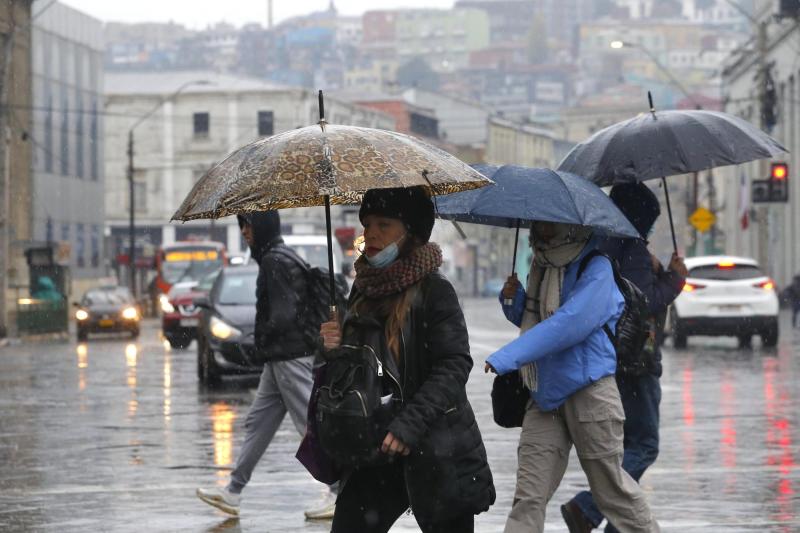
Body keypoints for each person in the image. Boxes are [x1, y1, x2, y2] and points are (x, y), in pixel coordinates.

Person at [319, 186, 495, 533]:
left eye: (384, 225)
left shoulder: (435, 291)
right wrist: (331, 347)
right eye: (367, 224)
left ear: (410, 233)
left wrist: (408, 425)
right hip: (376, 445)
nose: (371, 234)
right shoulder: (361, 289)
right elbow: (354, 370)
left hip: (435, 446)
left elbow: (454, 364)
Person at [486, 221, 660, 533]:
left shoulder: (597, 267)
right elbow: (534, 319)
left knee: (613, 494)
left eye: (549, 220)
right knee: (528, 497)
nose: (542, 226)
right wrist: (513, 299)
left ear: (572, 225)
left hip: (589, 391)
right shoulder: (543, 265)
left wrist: (509, 357)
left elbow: (569, 324)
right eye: (539, 219)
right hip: (544, 394)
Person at [560, 182, 686, 532]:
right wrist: (674, 280)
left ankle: (617, 523)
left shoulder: (600, 243)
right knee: (644, 446)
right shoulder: (629, 247)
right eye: (650, 222)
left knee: (623, 449)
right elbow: (641, 302)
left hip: (609, 358)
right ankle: (587, 508)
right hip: (635, 361)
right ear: (641, 219)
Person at [196, 211, 336, 519]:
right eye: (242, 226)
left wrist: (260, 339)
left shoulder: (275, 260)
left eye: (248, 225)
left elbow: (284, 315)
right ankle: (233, 491)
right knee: (258, 424)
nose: (245, 232)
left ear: (262, 226)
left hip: (289, 357)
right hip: (280, 360)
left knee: (310, 427)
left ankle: (340, 490)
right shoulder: (279, 257)